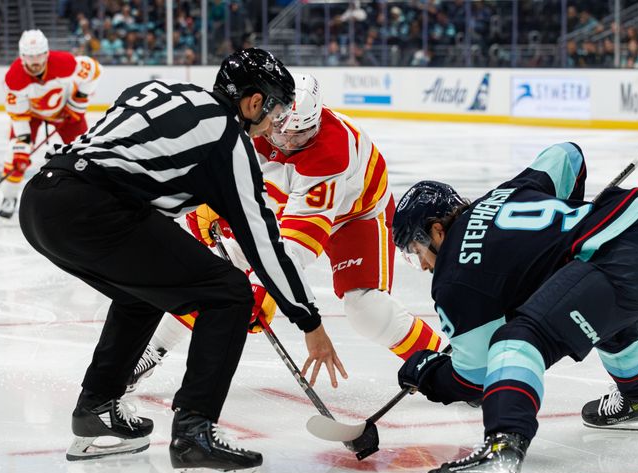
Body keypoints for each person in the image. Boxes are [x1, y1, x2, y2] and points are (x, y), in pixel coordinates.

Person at [19, 48, 343, 473]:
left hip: (41, 202)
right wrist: (308, 318)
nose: (275, 124)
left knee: (141, 293)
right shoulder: (230, 139)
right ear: (253, 103)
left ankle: (96, 411)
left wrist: (186, 197)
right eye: (275, 110)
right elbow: (263, 244)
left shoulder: (162, 92)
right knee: (229, 294)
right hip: (94, 211)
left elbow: (131, 161)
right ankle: (195, 441)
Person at [392, 142, 638, 473]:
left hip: (625, 256)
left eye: (415, 251)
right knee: (611, 323)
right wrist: (560, 250)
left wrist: (426, 373)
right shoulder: (507, 190)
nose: (422, 265)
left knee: (517, 339)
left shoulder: (454, 278)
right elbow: (568, 155)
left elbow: (474, 378)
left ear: (437, 230)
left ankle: (497, 459)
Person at [127, 73, 441, 392]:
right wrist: (206, 201)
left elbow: (297, 245)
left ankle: (446, 363)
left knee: (366, 309)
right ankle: (151, 352)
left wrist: (261, 287)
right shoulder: (254, 126)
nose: (290, 143)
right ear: (272, 115)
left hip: (355, 215)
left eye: (302, 134)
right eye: (283, 132)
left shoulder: (331, 152)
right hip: (290, 198)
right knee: (221, 268)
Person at [1, 29, 101, 218]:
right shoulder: (14, 78)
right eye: (30, 57)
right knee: (15, 157)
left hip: (65, 112)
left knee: (84, 154)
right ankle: (9, 196)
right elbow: (19, 117)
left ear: (46, 53)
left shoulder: (65, 63)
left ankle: (88, 195)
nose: (36, 61)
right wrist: (22, 147)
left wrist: (77, 103)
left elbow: (95, 70)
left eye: (39, 55)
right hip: (32, 115)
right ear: (22, 56)